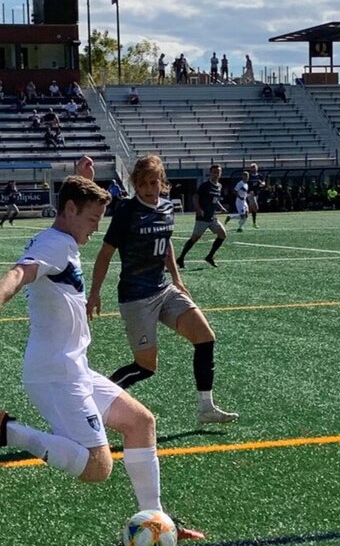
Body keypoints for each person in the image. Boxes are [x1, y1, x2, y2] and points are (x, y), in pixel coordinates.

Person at [0, 174, 205, 542]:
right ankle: (7, 430)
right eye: (91, 221)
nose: (94, 231)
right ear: (70, 210)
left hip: (74, 368)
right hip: (54, 375)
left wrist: (83, 176)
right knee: (97, 467)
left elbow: (74, 207)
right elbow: (19, 272)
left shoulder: (64, 239)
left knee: (141, 422)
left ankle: (156, 521)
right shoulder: (54, 244)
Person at [86, 155, 238, 425]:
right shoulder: (126, 212)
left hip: (164, 290)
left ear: (162, 183)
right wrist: (95, 292)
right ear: (136, 184)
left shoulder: (167, 207)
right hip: (136, 298)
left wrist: (177, 279)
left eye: (154, 182)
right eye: (144, 183)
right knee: (146, 366)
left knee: (205, 337)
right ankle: (92, 402)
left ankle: (206, 407)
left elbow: (165, 244)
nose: (149, 188)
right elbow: (105, 254)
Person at [175, 163, 230, 268]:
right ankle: (181, 258)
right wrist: (199, 209)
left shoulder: (219, 186)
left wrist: (221, 207)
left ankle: (210, 257)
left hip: (212, 217)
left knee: (222, 234)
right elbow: (195, 197)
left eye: (218, 172)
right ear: (210, 173)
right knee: (194, 239)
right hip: (203, 217)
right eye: (214, 172)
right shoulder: (205, 185)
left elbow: (215, 199)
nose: (216, 174)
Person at [246, 162, 267, 228]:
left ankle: (234, 218)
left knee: (250, 210)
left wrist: (263, 184)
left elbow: (263, 182)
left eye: (255, 168)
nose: (254, 169)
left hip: (256, 193)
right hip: (250, 194)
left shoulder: (259, 176)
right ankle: (254, 223)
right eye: (252, 168)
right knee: (255, 208)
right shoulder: (249, 176)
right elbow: (245, 183)